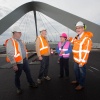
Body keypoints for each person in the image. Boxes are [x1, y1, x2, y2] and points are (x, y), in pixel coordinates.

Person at [6, 26, 37, 94]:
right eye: (19, 32)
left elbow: (24, 50)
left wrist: (26, 57)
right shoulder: (10, 41)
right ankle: (18, 88)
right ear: (14, 33)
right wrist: (14, 64)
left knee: (28, 71)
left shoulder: (21, 41)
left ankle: (31, 83)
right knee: (18, 75)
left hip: (24, 60)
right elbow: (10, 53)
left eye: (20, 32)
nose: (20, 34)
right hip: (18, 62)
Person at [69, 21, 93, 90]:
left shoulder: (87, 38)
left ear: (83, 28)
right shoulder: (77, 37)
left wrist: (82, 62)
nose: (78, 29)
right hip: (76, 59)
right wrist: (70, 39)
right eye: (77, 28)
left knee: (82, 73)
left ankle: (81, 84)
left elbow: (86, 52)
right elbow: (74, 41)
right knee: (76, 71)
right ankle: (77, 81)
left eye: (79, 28)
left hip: (81, 61)